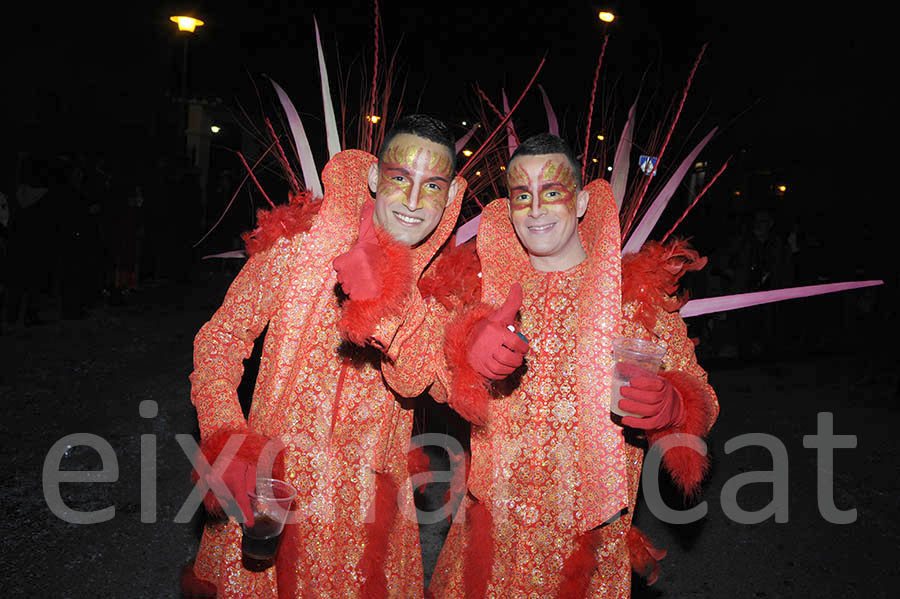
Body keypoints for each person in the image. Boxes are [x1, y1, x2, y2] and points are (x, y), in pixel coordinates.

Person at [182, 115, 467, 599]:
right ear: (376, 177)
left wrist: (390, 303)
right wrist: (225, 436)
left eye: (433, 186)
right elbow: (221, 338)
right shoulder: (302, 243)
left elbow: (432, 384)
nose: (414, 202)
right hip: (271, 493)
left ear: (451, 195)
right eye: (400, 179)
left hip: (367, 520)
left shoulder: (443, 287)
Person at [426, 134, 719, 598]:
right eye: (523, 195)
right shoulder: (484, 289)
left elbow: (701, 391)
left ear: (582, 201)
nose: (537, 209)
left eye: (553, 192)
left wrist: (675, 403)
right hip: (493, 537)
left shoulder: (633, 295)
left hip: (586, 545)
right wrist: (462, 351)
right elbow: (425, 373)